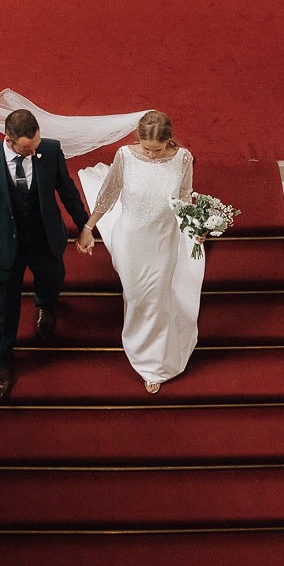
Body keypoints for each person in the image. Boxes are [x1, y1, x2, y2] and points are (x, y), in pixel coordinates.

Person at [0, 109, 91, 400]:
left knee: (53, 279)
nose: (33, 151)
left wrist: (84, 225)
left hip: (45, 238)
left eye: (35, 144)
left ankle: (45, 305)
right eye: (27, 149)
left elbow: (66, 189)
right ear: (8, 140)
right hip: (5, 247)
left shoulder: (50, 149)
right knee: (6, 307)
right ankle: (3, 363)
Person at [77, 111, 203, 393]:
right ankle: (136, 334)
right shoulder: (125, 155)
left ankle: (152, 363)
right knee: (135, 296)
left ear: (169, 141)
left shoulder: (183, 157)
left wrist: (194, 228)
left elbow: (184, 196)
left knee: (156, 299)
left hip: (163, 241)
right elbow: (109, 192)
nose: (151, 154)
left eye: (156, 149)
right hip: (131, 241)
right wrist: (88, 226)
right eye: (146, 148)